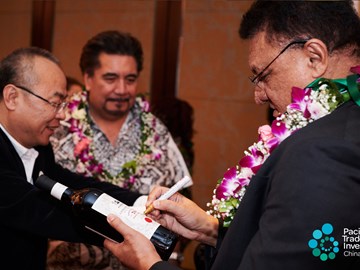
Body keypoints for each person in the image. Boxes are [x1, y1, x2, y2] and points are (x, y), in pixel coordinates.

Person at [103, 1, 360, 269]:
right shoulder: (343, 126)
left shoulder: (321, 153)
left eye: (263, 75)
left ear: (314, 58)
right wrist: (210, 230)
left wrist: (150, 265)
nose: (258, 96)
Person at [48, 30, 192, 269]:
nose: (122, 89)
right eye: (111, 78)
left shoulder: (156, 132)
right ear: (88, 78)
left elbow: (185, 203)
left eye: (130, 79)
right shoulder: (56, 128)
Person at [0, 47, 143, 269]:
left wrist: (138, 204)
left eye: (64, 104)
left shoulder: (39, 148)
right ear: (12, 97)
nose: (63, 115)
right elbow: (41, 211)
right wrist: (133, 229)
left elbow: (73, 184)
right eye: (55, 103)